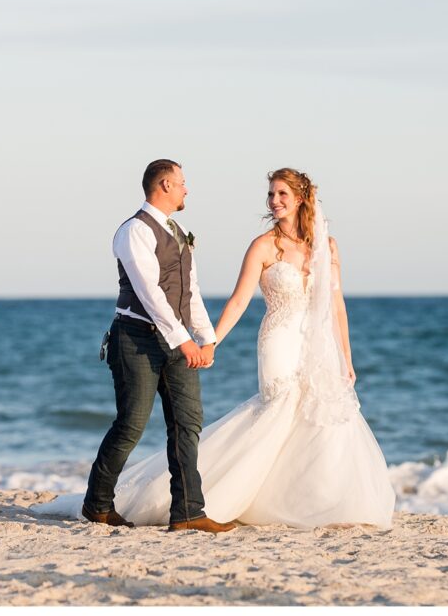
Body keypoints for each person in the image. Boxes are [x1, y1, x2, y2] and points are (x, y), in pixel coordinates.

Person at [32, 167, 394, 529]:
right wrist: (209, 341)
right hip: (267, 339)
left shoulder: (325, 246)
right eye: (271, 194)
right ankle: (106, 502)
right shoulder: (260, 245)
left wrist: (345, 356)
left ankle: (233, 507)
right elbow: (228, 300)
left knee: (215, 423)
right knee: (144, 424)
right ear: (166, 185)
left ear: (300, 198)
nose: (274, 201)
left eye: (281, 194)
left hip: (311, 343)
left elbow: (335, 305)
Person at [35, 159, 235, 533]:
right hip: (136, 341)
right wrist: (184, 340)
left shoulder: (180, 231)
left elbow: (188, 293)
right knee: (131, 425)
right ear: (163, 185)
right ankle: (97, 505)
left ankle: (189, 513)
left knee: (187, 424)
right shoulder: (133, 231)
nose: (186, 189)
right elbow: (150, 293)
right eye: (181, 183)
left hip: (177, 343)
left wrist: (206, 338)